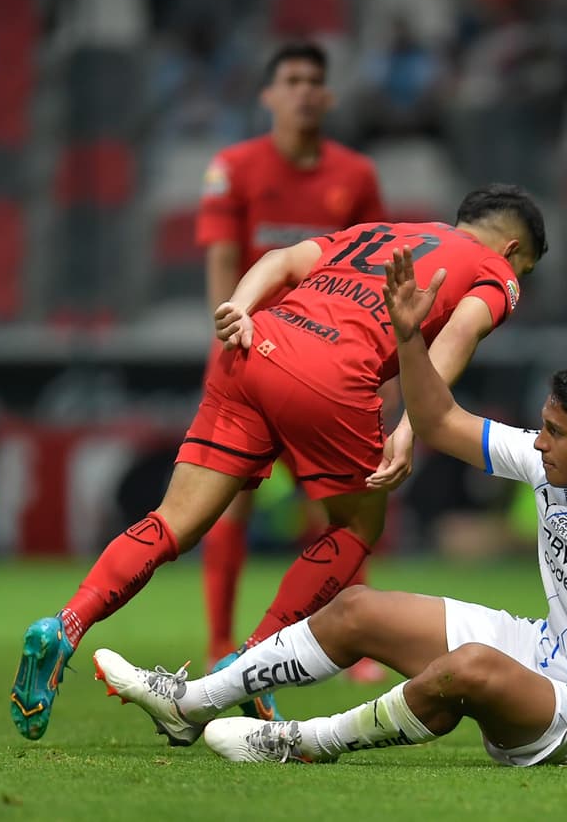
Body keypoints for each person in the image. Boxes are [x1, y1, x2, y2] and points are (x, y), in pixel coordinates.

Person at [92, 249, 567, 772]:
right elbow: (438, 421)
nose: (538, 441)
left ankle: (298, 742)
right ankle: (189, 702)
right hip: (543, 653)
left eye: (554, 432)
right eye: (542, 426)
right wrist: (409, 338)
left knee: (472, 666)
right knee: (356, 607)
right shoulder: (553, 464)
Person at [9, 184, 547, 741]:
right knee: (357, 527)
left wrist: (237, 310)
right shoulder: (495, 272)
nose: (519, 281)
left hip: (255, 344)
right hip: (333, 376)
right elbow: (457, 336)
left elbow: (280, 260)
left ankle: (65, 625)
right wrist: (413, 428)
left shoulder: (386, 233)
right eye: (525, 270)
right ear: (511, 251)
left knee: (173, 521)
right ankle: (248, 668)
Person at [195, 43, 386, 680]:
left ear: (327, 97)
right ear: (268, 96)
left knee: (338, 507)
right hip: (250, 358)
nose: (304, 91)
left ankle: (348, 642)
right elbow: (224, 265)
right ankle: (222, 638)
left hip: (326, 366)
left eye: (314, 81)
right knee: (230, 506)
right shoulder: (234, 167)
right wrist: (223, 334)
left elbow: (381, 269)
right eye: (292, 80)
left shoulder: (354, 176)